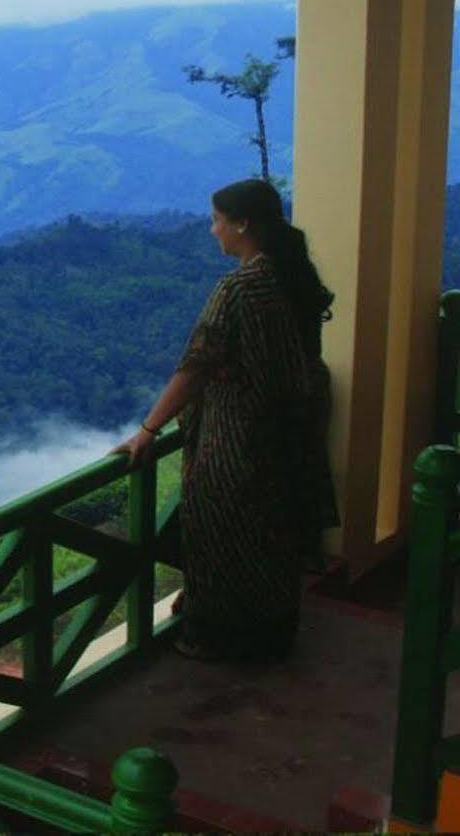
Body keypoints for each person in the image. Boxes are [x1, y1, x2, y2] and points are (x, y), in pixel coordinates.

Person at [115, 178, 337, 663]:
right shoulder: (293, 275)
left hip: (238, 433)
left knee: (219, 532)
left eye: (217, 220)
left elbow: (196, 364)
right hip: (289, 434)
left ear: (242, 224)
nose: (212, 229)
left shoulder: (240, 287)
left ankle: (217, 638)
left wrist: (148, 430)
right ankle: (272, 635)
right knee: (269, 537)